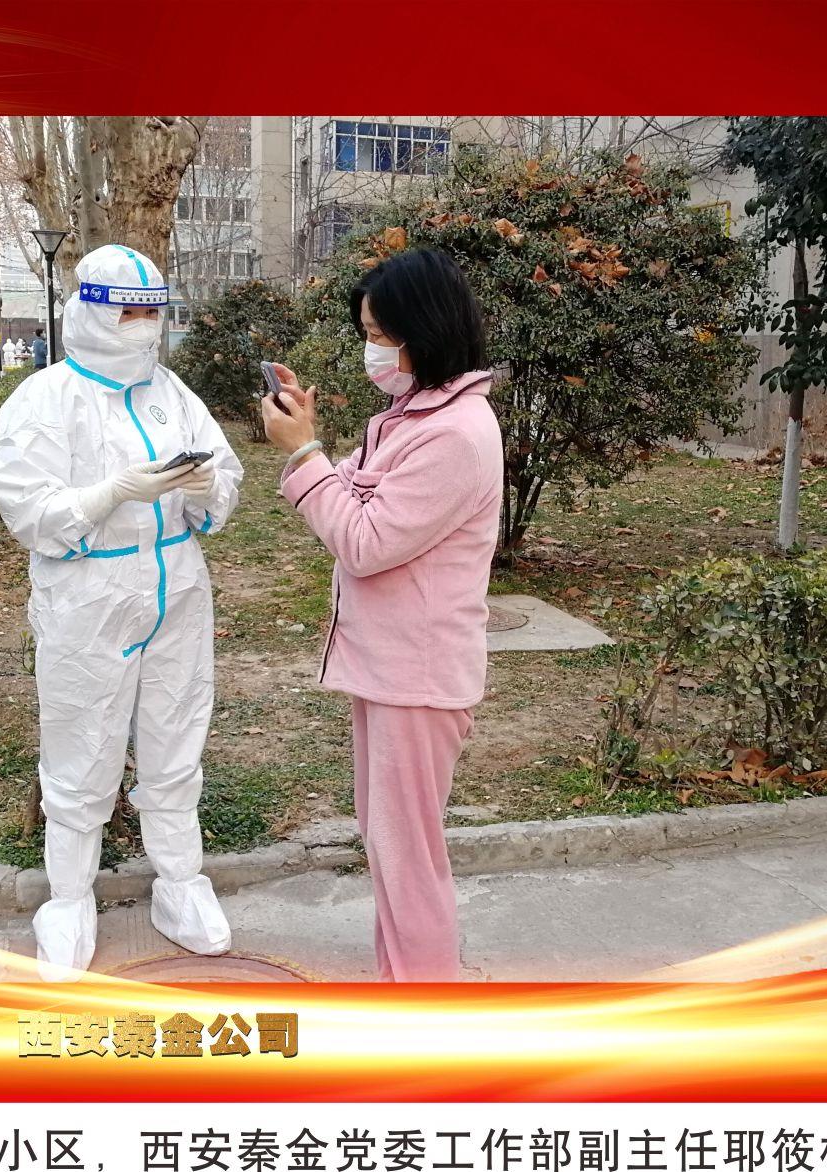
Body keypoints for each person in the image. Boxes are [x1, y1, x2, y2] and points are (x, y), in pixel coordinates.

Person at [0, 244, 244, 980]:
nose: (142, 326)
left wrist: (204, 490)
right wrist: (110, 494)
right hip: (87, 600)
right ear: (92, 310)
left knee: (176, 739)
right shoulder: (44, 399)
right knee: (81, 746)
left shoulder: (173, 391)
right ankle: (68, 899)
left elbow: (223, 471)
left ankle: (181, 883)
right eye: (128, 312)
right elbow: (28, 510)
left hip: (176, 588)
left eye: (152, 313)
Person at [262, 248, 501, 982]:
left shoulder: (455, 434)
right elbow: (358, 496)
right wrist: (310, 443)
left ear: (424, 331)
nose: (372, 350)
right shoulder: (413, 416)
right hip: (389, 668)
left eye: (379, 335)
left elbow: (364, 542)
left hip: (417, 678)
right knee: (390, 848)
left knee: (408, 862)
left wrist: (304, 455)